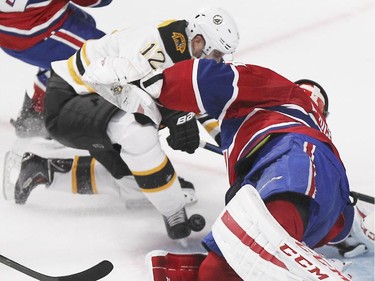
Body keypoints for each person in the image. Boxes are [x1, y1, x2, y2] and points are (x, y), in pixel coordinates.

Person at [7, 6, 240, 241]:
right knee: (138, 133)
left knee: (140, 186)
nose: (219, 62)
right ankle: (174, 213)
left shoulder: (189, 53)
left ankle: (42, 171)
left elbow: (202, 103)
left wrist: (233, 143)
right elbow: (118, 89)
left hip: (99, 106)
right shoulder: (156, 44)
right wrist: (176, 115)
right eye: (218, 54)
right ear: (199, 42)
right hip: (70, 98)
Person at [143, 59, 374, 280]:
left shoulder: (287, 93)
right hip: (324, 205)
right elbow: (336, 218)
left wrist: (160, 86)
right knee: (216, 271)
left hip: (292, 162)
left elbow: (212, 79)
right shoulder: (317, 132)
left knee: (251, 250)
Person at [0, 0, 112, 137]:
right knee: (106, 56)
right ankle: (45, 117)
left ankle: (39, 109)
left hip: (18, 22)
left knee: (85, 22)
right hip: (33, 31)